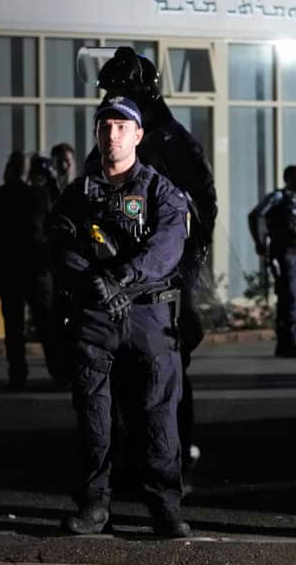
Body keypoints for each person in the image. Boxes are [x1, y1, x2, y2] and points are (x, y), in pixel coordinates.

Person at [51, 96, 191, 537]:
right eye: (104, 126)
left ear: (137, 135)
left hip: (148, 316)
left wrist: (123, 277)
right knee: (95, 414)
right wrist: (96, 281)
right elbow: (58, 244)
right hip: (96, 319)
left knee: (157, 415)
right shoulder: (79, 193)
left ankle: (164, 507)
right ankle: (94, 506)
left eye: (120, 127)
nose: (111, 135)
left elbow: (168, 247)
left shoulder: (159, 190)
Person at [86, 46, 218, 492]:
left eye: (117, 91)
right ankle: (128, 461)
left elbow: (202, 209)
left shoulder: (172, 142)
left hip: (166, 278)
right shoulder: (113, 139)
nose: (109, 101)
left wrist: (177, 263)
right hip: (118, 277)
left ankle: (174, 463)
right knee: (120, 371)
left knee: (167, 370)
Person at [0, 151, 57, 390]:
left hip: (5, 267)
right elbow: (51, 229)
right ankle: (57, 370)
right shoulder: (40, 196)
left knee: (13, 323)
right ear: (27, 171)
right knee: (46, 321)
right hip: (36, 267)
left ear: (9, 168)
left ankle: (17, 375)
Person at [248, 166, 296, 357]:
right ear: (288, 179)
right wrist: (260, 243)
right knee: (289, 297)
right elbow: (255, 215)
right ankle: (288, 344)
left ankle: (286, 343)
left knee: (291, 298)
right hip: (282, 253)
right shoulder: (278, 197)